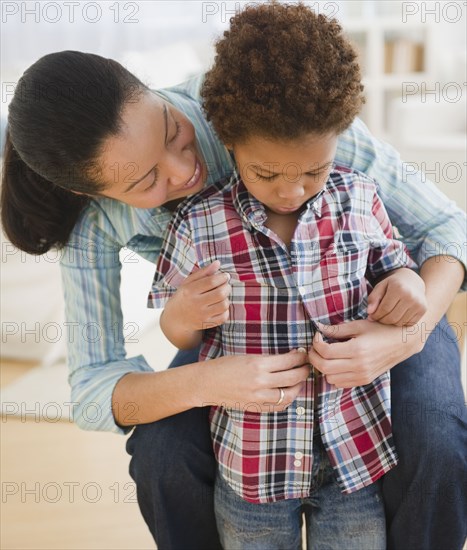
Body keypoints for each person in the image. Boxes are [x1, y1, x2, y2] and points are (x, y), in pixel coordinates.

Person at [0, 27, 465, 550]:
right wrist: (209, 382)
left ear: (150, 90)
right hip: (240, 338)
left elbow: (447, 228)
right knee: (162, 458)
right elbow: (91, 391)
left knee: (437, 441)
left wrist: (408, 335)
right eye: (144, 182)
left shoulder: (269, 109)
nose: (184, 171)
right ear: (88, 192)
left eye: (172, 131)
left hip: (375, 309)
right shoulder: (92, 226)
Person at [146, 5, 428, 548]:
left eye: (313, 171)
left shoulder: (359, 197)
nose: (291, 190)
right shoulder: (198, 221)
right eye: (266, 173)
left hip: (352, 453)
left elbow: (396, 263)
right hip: (252, 464)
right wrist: (181, 315)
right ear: (230, 145)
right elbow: (178, 334)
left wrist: (409, 285)